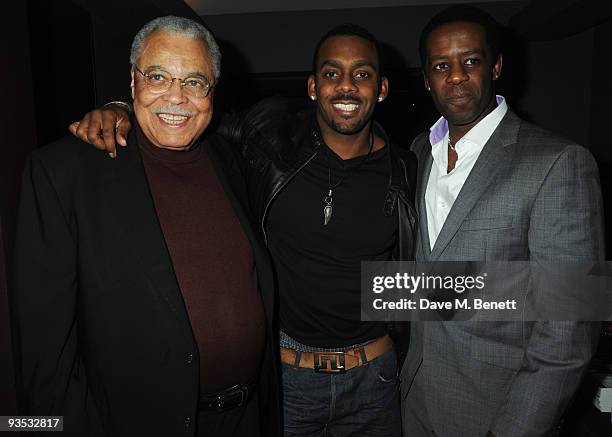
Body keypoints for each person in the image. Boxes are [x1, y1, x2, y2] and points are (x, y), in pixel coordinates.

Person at [67, 23, 418, 436]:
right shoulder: (270, 137)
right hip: (288, 381)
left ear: (382, 89)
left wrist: (504, 300)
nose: (345, 86)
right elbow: (186, 116)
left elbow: (415, 275)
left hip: (374, 380)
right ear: (311, 86)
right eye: (331, 73)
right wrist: (120, 107)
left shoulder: (406, 170)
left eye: (362, 74)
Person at [13, 16, 279, 437]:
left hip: (247, 417)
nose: (177, 96)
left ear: (213, 92)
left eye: (194, 81)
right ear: (133, 82)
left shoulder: (231, 160)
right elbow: (43, 351)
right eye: (157, 76)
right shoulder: (64, 173)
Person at [400, 5, 605, 437]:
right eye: (441, 65)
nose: (455, 75)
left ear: (495, 66)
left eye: (470, 61)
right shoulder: (417, 153)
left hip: (496, 412)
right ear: (426, 79)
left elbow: (571, 326)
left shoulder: (558, 162)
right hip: (412, 402)